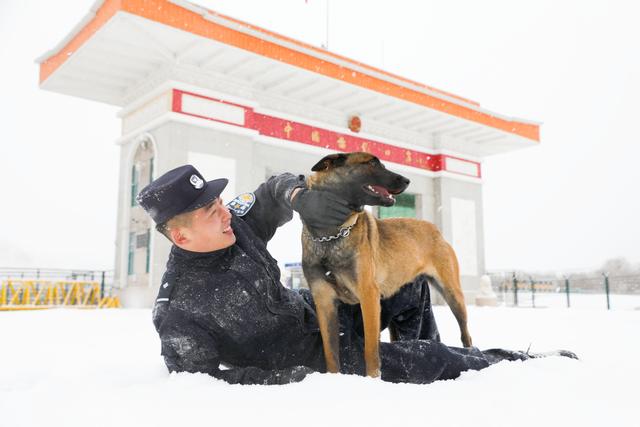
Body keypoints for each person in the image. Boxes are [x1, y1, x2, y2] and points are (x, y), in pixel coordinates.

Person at [137, 164, 576, 385]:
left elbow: (273, 188)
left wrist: (297, 195)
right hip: (308, 360)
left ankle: (434, 379)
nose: (225, 214)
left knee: (408, 289)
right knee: (427, 361)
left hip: (322, 313)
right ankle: (508, 365)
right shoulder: (181, 311)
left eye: (220, 203)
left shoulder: (237, 224)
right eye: (211, 212)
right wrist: (286, 379)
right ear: (181, 237)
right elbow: (204, 381)